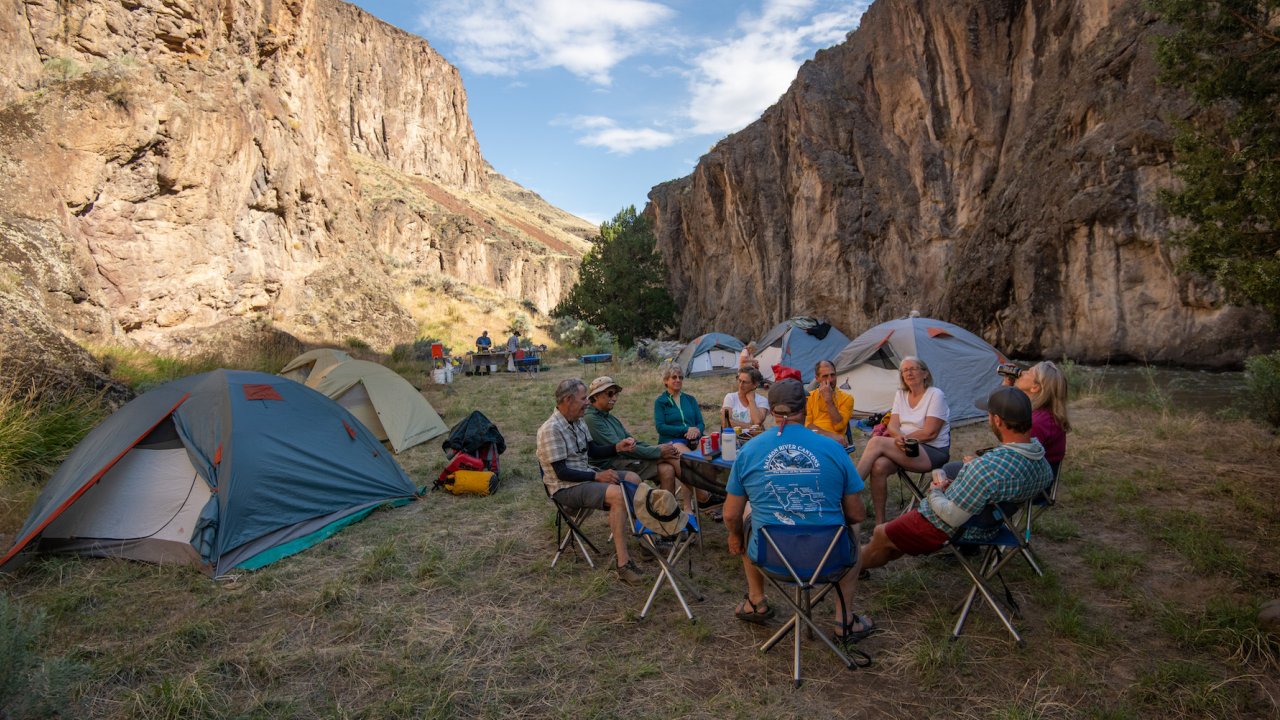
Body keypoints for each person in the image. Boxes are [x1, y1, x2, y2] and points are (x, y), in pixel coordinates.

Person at [840, 387, 1055, 638]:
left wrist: (935, 489)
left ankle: (842, 571)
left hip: (948, 526)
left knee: (881, 534)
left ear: (997, 420)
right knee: (891, 533)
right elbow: (998, 484)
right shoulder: (1040, 459)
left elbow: (950, 516)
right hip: (994, 523)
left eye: (988, 415)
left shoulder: (987, 469)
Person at [722, 379, 868, 631]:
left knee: (747, 514)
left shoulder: (749, 450)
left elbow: (730, 515)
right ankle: (844, 620)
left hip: (770, 556)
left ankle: (756, 601)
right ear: (807, 407)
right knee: (853, 529)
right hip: (829, 556)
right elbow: (856, 514)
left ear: (772, 409)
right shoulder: (834, 449)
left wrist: (735, 536)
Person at [537, 377, 645, 585]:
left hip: (585, 475)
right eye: (584, 398)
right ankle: (623, 564)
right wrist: (597, 476)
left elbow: (592, 449)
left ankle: (645, 537)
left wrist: (617, 447)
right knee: (617, 494)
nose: (587, 402)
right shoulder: (550, 429)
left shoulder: (578, 421)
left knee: (633, 478)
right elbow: (561, 472)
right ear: (568, 400)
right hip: (565, 488)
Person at [857, 356, 951, 526]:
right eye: (905, 370)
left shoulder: (935, 395)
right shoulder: (901, 395)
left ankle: (851, 488)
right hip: (904, 447)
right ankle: (880, 524)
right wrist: (898, 437)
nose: (909, 373)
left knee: (877, 442)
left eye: (913, 368)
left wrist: (905, 438)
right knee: (878, 466)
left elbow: (930, 432)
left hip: (931, 451)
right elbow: (892, 425)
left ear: (925, 373)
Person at [583, 376, 694, 510]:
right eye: (610, 394)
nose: (615, 398)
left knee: (667, 469)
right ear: (596, 396)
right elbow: (623, 449)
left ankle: (666, 515)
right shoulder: (592, 419)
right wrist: (658, 452)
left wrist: (655, 448)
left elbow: (632, 441)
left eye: (615, 394)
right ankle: (702, 496)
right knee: (672, 456)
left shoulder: (609, 417)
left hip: (623, 460)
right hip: (610, 466)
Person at [654, 364, 704, 449]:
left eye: (680, 377)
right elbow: (660, 427)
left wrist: (697, 431)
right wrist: (686, 430)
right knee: (691, 459)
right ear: (666, 380)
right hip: (672, 440)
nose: (678, 380)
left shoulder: (690, 399)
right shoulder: (660, 402)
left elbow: (700, 423)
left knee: (710, 449)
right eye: (674, 377)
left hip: (694, 438)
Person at [806, 360, 854, 446]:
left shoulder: (847, 399)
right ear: (817, 378)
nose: (830, 380)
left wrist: (828, 400)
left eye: (832, 375)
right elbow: (807, 425)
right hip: (814, 439)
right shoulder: (809, 397)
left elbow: (839, 426)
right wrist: (829, 435)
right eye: (825, 376)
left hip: (834, 443)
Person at [722, 367, 769, 434]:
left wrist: (751, 400)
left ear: (755, 384)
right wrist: (750, 427)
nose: (741, 385)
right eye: (739, 380)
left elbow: (757, 421)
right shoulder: (730, 397)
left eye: (745, 382)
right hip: (733, 438)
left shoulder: (762, 401)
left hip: (753, 439)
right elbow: (725, 423)